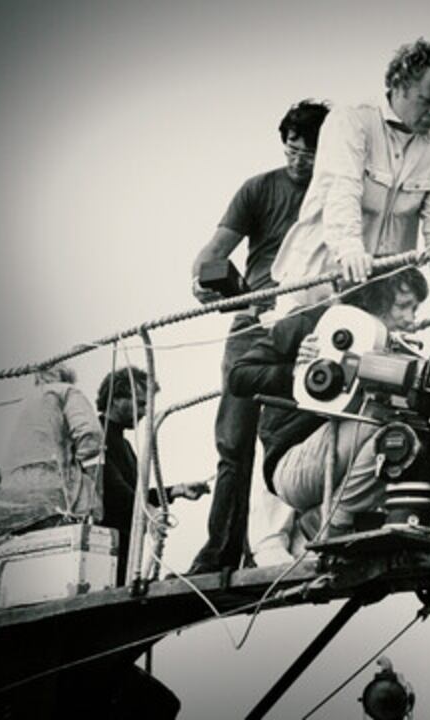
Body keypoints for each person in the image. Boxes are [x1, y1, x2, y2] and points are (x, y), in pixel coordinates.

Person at [188, 99, 331, 575]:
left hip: (306, 324)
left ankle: (276, 543)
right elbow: (212, 252)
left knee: (290, 435)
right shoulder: (258, 189)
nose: (298, 161)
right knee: (233, 442)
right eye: (292, 150)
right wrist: (204, 281)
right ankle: (220, 551)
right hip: (253, 324)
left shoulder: (338, 195)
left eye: (308, 153)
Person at [228, 268, 430, 537]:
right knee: (385, 421)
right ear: (375, 297)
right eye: (403, 305)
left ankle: (362, 527)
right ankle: (333, 521)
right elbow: (239, 376)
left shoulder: (397, 348)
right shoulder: (312, 322)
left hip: (352, 455)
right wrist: (297, 370)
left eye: (414, 309)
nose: (410, 318)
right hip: (294, 465)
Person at [270, 39, 430, 326]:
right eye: (428, 100)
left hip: (379, 299)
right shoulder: (351, 120)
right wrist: (349, 249)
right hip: (315, 286)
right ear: (399, 85)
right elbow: (342, 189)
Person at [96, 366, 208, 584]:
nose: (145, 411)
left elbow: (134, 494)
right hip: (103, 549)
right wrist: (150, 511)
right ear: (116, 399)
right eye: (140, 403)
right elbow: (114, 489)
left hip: (123, 549)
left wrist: (176, 490)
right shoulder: (95, 435)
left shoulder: (124, 445)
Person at [0, 363, 104, 524]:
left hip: (12, 487)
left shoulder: (23, 402)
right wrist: (77, 460)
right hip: (51, 481)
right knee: (89, 504)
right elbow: (90, 434)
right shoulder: (66, 391)